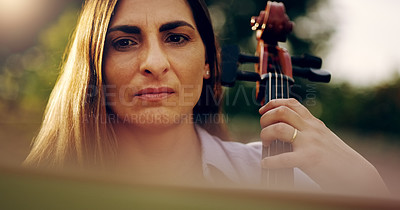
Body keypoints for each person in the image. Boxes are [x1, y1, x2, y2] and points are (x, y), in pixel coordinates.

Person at [24, 0, 389, 196]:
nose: (154, 63)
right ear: (95, 67)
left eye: (177, 38)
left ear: (209, 64)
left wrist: (369, 189)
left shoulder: (284, 179)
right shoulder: (39, 191)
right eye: (124, 42)